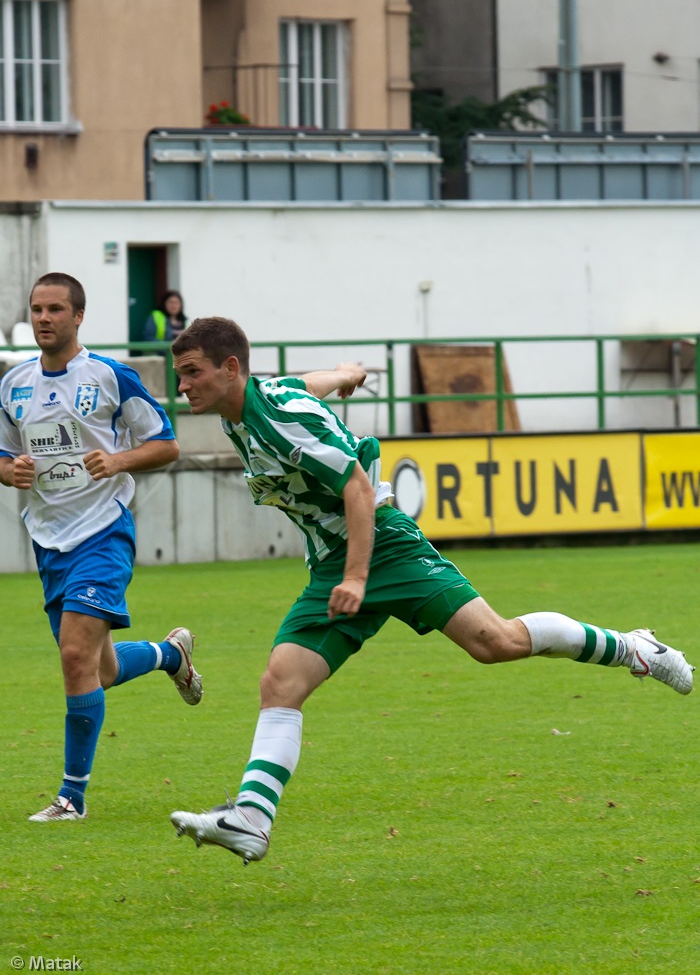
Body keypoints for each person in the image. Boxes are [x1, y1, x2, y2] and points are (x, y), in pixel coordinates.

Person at [168, 317, 694, 866]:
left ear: (231, 369)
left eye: (192, 372)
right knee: (281, 682)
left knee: (498, 642)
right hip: (336, 562)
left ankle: (634, 649)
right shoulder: (246, 407)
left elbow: (356, 486)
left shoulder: (277, 420)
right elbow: (308, 383)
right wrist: (346, 372)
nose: (184, 386)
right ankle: (252, 818)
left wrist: (355, 576)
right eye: (181, 374)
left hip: (384, 548)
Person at [0, 272, 203, 823]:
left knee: (73, 656)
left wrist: (116, 460)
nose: (44, 318)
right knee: (100, 669)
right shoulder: (13, 383)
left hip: (102, 532)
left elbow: (166, 444)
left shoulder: (111, 377)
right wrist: (8, 470)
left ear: (78, 317)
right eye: (37, 309)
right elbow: (3, 455)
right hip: (47, 539)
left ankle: (72, 798)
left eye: (56, 309)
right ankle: (170, 654)